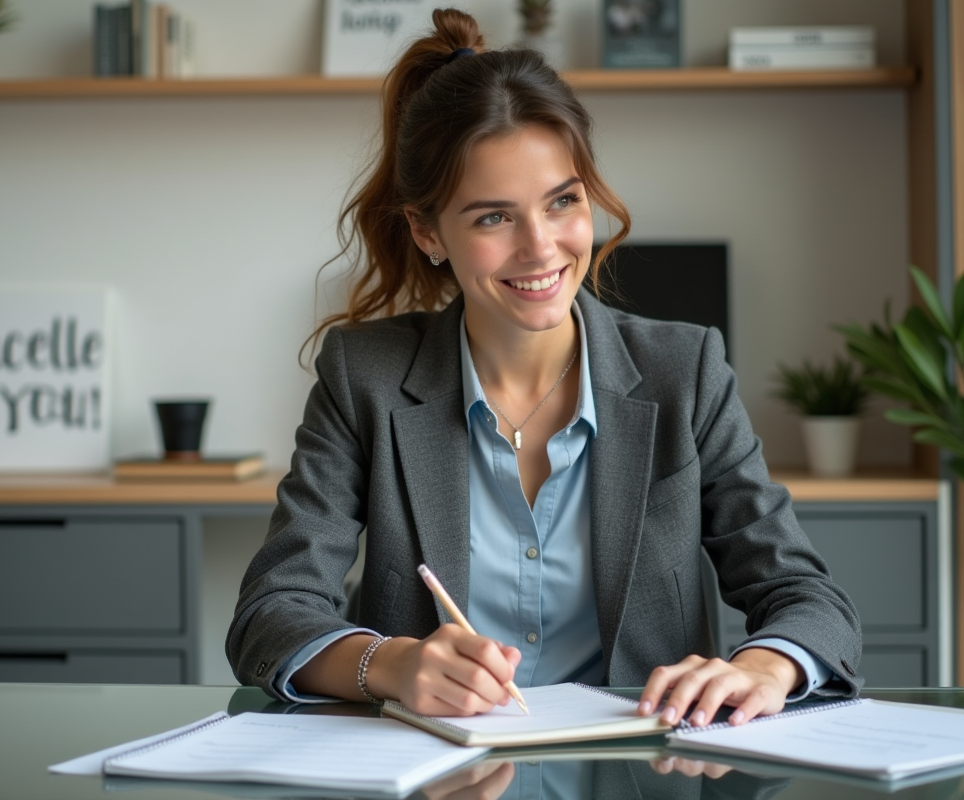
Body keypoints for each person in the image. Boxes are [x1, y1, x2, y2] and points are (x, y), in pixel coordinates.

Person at [227, 8, 861, 728]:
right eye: (493, 217)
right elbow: (270, 614)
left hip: (642, 775)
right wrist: (391, 664)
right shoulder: (362, 376)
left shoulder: (685, 372)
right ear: (428, 231)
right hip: (439, 773)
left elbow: (808, 598)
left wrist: (761, 667)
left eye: (563, 201)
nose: (541, 248)